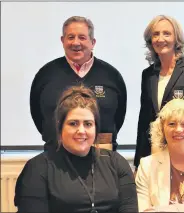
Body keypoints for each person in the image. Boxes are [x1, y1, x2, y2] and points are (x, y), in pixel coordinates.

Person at [15, 85, 138, 213]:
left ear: (96, 128)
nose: (81, 131)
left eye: (88, 124)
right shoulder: (38, 168)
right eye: (73, 123)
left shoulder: (117, 163)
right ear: (60, 126)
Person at [30, 16, 127, 151]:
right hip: (56, 158)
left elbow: (119, 117)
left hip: (102, 158)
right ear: (62, 41)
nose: (76, 43)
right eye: (70, 37)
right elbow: (38, 115)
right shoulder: (46, 74)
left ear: (93, 42)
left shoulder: (112, 75)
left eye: (82, 37)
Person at [134, 15, 184, 170]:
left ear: (176, 39)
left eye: (166, 33)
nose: (161, 39)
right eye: (156, 34)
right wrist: (138, 162)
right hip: (154, 155)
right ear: (150, 40)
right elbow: (144, 121)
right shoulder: (148, 75)